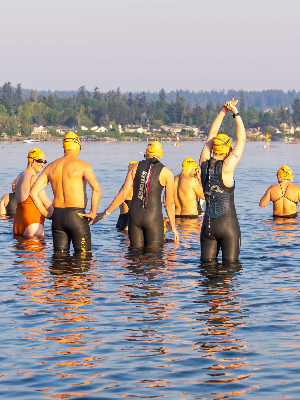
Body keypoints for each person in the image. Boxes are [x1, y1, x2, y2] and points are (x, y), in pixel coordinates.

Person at [93, 141, 179, 248]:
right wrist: (173, 227)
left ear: (146, 153)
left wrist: (105, 213)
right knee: (154, 260)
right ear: (160, 155)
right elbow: (168, 203)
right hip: (153, 218)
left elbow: (123, 195)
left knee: (134, 259)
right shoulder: (167, 173)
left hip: (135, 218)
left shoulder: (134, 167)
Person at [30, 132, 101, 253]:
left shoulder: (51, 167)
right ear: (78, 147)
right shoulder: (83, 165)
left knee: (59, 258)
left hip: (57, 217)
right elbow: (96, 189)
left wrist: (46, 214)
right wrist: (93, 212)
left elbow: (33, 192)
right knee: (83, 258)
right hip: (77, 217)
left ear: (64, 146)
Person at [199, 99, 246, 262]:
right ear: (228, 149)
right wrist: (235, 113)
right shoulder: (227, 166)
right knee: (230, 272)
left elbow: (211, 135)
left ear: (213, 148)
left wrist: (223, 110)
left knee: (206, 273)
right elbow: (242, 140)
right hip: (228, 227)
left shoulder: (203, 163)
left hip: (207, 228)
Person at [13, 149, 53, 236]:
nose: (43, 164)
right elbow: (46, 202)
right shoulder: (34, 178)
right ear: (31, 160)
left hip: (17, 223)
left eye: (44, 161)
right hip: (33, 223)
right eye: (39, 161)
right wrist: (55, 214)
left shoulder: (19, 177)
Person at [116, 161, 137, 230]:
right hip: (128, 220)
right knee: (127, 239)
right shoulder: (133, 183)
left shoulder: (124, 185)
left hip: (121, 220)